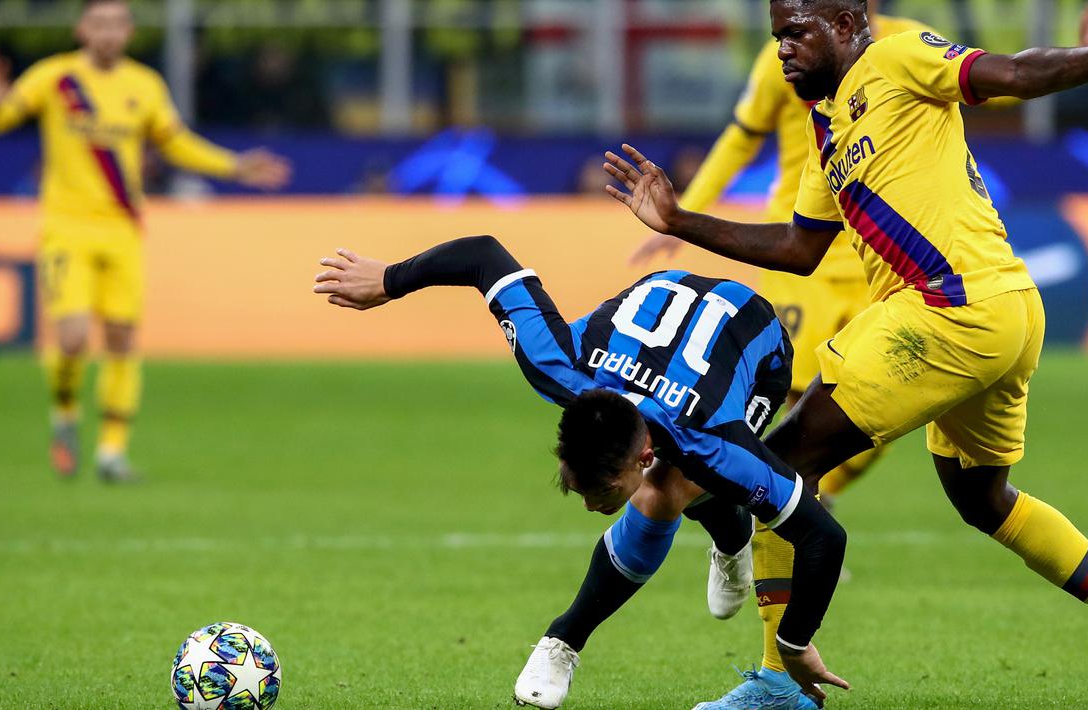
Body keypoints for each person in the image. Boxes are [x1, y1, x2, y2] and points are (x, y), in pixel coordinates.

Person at [601, 0, 1088, 706]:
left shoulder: (895, 56)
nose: (782, 50)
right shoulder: (825, 126)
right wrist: (679, 221)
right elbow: (797, 248)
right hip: (1001, 313)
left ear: (846, 21)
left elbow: (1008, 72)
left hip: (947, 310)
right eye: (774, 37)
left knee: (774, 468)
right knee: (982, 500)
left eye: (797, 31)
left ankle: (777, 683)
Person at [312, 235, 844, 710]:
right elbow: (483, 255)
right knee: (682, 482)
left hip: (757, 346)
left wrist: (794, 645)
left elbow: (823, 536)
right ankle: (720, 545)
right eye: (577, 485)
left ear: (638, 456)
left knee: (667, 492)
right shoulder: (558, 366)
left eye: (601, 490)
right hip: (663, 299)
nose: (590, 505)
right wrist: (388, 280)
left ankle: (564, 638)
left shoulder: (711, 434)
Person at [630, 5, 935, 707]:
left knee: (858, 429)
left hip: (891, 264)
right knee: (785, 433)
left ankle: (787, 520)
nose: (790, 37)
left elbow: (979, 82)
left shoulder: (905, 43)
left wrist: (1077, 63)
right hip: (808, 257)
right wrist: (683, 215)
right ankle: (751, 530)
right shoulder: (786, 56)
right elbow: (741, 137)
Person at [0, 0, 291, 481]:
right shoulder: (55, 77)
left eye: (117, 24)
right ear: (82, 27)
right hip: (67, 226)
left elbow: (175, 141)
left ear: (129, 31)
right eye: (99, 23)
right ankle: (64, 414)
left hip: (123, 227)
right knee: (74, 336)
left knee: (122, 338)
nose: (107, 33)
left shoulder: (143, 85)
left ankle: (111, 451)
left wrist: (235, 165)